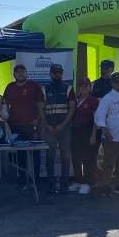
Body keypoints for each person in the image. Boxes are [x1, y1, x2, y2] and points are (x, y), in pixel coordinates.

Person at [91, 71, 119, 196]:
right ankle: (106, 185)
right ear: (112, 83)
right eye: (117, 81)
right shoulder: (107, 98)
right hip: (112, 136)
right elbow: (99, 115)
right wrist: (104, 129)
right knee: (109, 163)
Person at [4, 63, 44, 189]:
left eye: (22, 71)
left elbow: (41, 104)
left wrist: (38, 119)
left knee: (35, 154)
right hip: (16, 126)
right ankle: (22, 181)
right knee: (20, 155)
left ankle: (35, 181)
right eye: (18, 72)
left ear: (26, 73)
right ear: (14, 74)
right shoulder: (10, 87)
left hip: (32, 126)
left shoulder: (34, 86)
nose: (20, 73)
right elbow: (4, 104)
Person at [40, 63, 76, 193]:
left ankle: (64, 183)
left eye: (59, 72)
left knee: (65, 156)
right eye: (54, 72)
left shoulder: (68, 89)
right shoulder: (44, 89)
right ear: (50, 74)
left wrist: (63, 124)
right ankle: (50, 182)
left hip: (64, 128)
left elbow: (72, 109)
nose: (57, 74)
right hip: (49, 128)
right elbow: (40, 110)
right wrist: (47, 125)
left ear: (62, 73)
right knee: (49, 155)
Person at [70, 77, 99, 195]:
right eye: (81, 86)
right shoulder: (76, 100)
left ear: (89, 87)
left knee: (88, 159)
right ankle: (78, 181)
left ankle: (88, 183)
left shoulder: (93, 101)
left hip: (87, 132)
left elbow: (97, 120)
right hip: (75, 132)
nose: (84, 88)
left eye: (86, 86)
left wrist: (93, 135)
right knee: (76, 158)